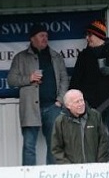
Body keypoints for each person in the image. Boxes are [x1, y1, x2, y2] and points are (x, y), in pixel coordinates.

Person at [7, 24, 69, 166]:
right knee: (29, 146)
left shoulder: (56, 57)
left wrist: (60, 101)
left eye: (46, 36)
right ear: (32, 39)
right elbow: (11, 80)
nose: (45, 38)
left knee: (54, 145)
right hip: (30, 108)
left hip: (53, 107)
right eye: (41, 36)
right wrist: (29, 78)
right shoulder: (20, 57)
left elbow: (64, 79)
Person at [51, 89, 109, 164]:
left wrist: (99, 163)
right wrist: (68, 166)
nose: (81, 104)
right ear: (68, 105)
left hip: (95, 170)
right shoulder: (60, 121)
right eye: (77, 102)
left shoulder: (95, 116)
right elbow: (56, 149)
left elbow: (104, 141)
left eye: (81, 100)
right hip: (71, 172)